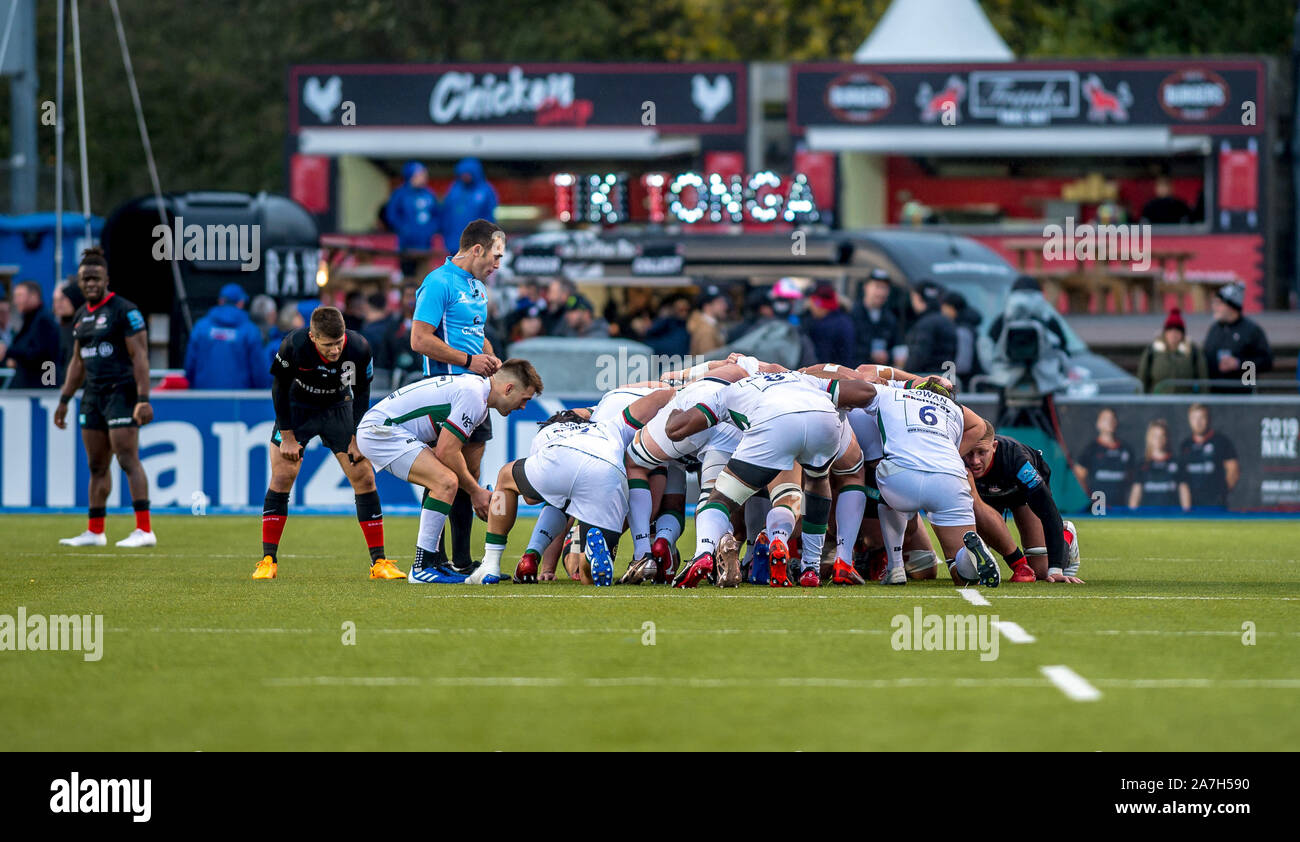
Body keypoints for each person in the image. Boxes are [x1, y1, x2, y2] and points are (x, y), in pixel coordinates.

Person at [356, 358, 542, 583]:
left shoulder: (477, 396)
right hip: (381, 432)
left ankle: (432, 562)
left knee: (446, 480)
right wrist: (476, 492)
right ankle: (423, 566)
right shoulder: (473, 396)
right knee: (445, 482)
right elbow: (446, 451)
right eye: (524, 400)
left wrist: (475, 490)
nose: (522, 407)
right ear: (509, 388)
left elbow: (445, 451)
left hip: (385, 429)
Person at [255, 306, 403, 580]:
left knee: (364, 476)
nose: (335, 351)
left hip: (338, 408)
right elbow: (278, 389)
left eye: (338, 343)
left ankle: (379, 563)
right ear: (313, 337)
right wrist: (287, 436)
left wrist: (357, 437)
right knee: (283, 475)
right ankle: (267, 561)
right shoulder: (293, 344)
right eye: (328, 345)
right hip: (298, 410)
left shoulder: (358, 347)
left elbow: (362, 392)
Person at [410, 219, 504, 576]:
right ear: (477, 249)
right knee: (443, 471)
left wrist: (490, 356)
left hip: (476, 392)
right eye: (496, 256)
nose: (498, 264)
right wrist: (469, 361)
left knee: (470, 471)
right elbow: (419, 340)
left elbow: (473, 336)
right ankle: (431, 557)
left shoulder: (478, 288)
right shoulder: (437, 283)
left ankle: (461, 562)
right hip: (446, 389)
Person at [53, 248, 157, 548]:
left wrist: (143, 398)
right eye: (85, 279)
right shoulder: (81, 316)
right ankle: (95, 531)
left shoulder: (125, 311)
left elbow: (140, 356)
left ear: (106, 278)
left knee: (127, 458)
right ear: (80, 282)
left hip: (121, 393)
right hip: (92, 396)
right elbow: (77, 362)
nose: (90, 283)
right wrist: (64, 400)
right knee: (97, 465)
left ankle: (144, 529)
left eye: (96, 278)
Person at [964, 423, 1083, 583]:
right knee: (972, 562)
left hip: (1021, 494)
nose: (975, 460)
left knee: (1042, 572)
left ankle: (1067, 534)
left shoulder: (1018, 461)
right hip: (985, 501)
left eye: (982, 452)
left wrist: (1055, 569)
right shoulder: (956, 459)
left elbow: (1048, 512)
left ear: (994, 446)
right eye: (969, 453)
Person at [184, 283, 272, 390]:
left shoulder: (200, 327)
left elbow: (189, 366)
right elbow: (259, 372)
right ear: (240, 303)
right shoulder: (250, 331)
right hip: (239, 403)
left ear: (220, 301)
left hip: (204, 399)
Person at [1203, 281, 1272, 384]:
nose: (1215, 307)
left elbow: (1266, 362)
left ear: (1231, 306)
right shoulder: (1214, 329)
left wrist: (1238, 364)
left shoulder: (1252, 330)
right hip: (1215, 394)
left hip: (1243, 395)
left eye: (1219, 303)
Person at [1176, 403, 1239, 510]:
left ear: (1208, 419)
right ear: (1189, 420)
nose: (1198, 422)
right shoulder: (1185, 445)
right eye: (1194, 418)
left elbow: (1233, 470)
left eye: (1202, 418)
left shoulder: (1220, 441)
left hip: (1215, 505)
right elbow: (1182, 478)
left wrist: (1221, 493)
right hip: (1192, 505)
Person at [383, 161, 440, 277]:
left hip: (425, 245)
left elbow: (437, 215)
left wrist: (430, 230)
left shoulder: (429, 194)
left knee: (424, 278)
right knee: (408, 278)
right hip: (406, 245)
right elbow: (391, 215)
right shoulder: (400, 194)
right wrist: (404, 229)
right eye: (420, 174)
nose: (424, 177)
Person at [1072, 408, 1135, 511]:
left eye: (1112, 419)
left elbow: (1132, 479)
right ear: (1098, 424)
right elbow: (1078, 476)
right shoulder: (1091, 449)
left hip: (1120, 505)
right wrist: (1087, 500)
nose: (1110, 422)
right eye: (1106, 419)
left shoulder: (1126, 449)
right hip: (1098, 507)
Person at [2, 281, 62, 388]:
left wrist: (8, 352)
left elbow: (38, 353)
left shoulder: (43, 320)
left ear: (34, 296)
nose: (16, 301)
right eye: (15, 296)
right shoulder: (30, 320)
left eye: (20, 296)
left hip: (41, 389)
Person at [1136, 307, 1206, 392]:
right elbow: (1141, 379)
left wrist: (1201, 402)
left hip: (1186, 402)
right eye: (1170, 330)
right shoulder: (1152, 351)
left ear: (1182, 333)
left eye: (1177, 331)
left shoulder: (1193, 351)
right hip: (1159, 402)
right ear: (1165, 332)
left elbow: (1203, 380)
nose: (1173, 334)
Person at [440, 158, 498, 257]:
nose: (465, 176)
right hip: (455, 244)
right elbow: (446, 214)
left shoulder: (485, 190)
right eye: (462, 174)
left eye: (468, 173)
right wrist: (446, 238)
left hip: (477, 244)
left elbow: (490, 217)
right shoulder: (454, 189)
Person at [852, 269, 904, 368]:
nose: (881, 292)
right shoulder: (852, 315)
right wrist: (869, 354)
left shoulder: (890, 318)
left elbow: (897, 347)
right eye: (877, 287)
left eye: (885, 288)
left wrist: (888, 355)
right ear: (866, 287)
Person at [903, 280, 957, 374]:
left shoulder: (925, 324)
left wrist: (905, 373)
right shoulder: (948, 321)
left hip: (925, 379)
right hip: (945, 378)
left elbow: (919, 356)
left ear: (919, 298)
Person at [1128, 419, 1180, 509]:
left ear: (1167, 438)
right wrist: (1132, 513)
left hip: (1172, 517)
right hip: (1147, 518)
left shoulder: (1176, 463)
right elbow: (1136, 493)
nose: (1159, 440)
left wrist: (1186, 514)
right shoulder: (1142, 464)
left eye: (1162, 436)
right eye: (1155, 436)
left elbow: (1183, 490)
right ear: (1149, 438)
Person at [804, 282, 854, 365]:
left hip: (830, 375)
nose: (811, 308)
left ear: (819, 305)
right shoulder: (845, 320)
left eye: (812, 303)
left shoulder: (823, 327)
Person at [361, 291, 400, 392]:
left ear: (368, 306)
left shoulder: (368, 331)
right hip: (396, 374)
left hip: (376, 377)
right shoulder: (395, 325)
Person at [941, 290, 983, 383]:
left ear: (951, 308)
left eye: (944, 308)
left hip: (966, 384)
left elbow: (962, 366)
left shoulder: (962, 329)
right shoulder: (968, 325)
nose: (942, 312)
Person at [53, 280, 85, 385]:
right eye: (55, 300)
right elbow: (49, 362)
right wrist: (49, 384)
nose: (58, 304)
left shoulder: (84, 328)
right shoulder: (56, 329)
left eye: (63, 299)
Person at [687, 286, 729, 356]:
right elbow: (709, 360)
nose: (725, 306)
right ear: (707, 306)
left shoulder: (710, 325)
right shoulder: (706, 330)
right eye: (719, 303)